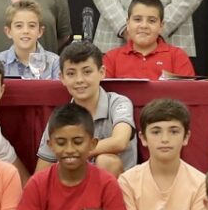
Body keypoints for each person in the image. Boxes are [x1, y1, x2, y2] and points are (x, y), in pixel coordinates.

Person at [40, 40, 137, 173]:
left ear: (102, 72)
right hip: (74, 186)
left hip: (118, 187)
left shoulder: (118, 102)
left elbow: (120, 141)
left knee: (106, 161)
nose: (79, 80)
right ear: (62, 78)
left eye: (87, 72)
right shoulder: (60, 116)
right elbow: (41, 171)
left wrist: (73, 152)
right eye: (71, 74)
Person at [101, 0, 195, 83]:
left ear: (161, 26)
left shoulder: (177, 57)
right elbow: (103, 94)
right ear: (128, 23)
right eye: (137, 19)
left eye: (152, 21)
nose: (144, 25)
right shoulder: (111, 58)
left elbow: (188, 94)